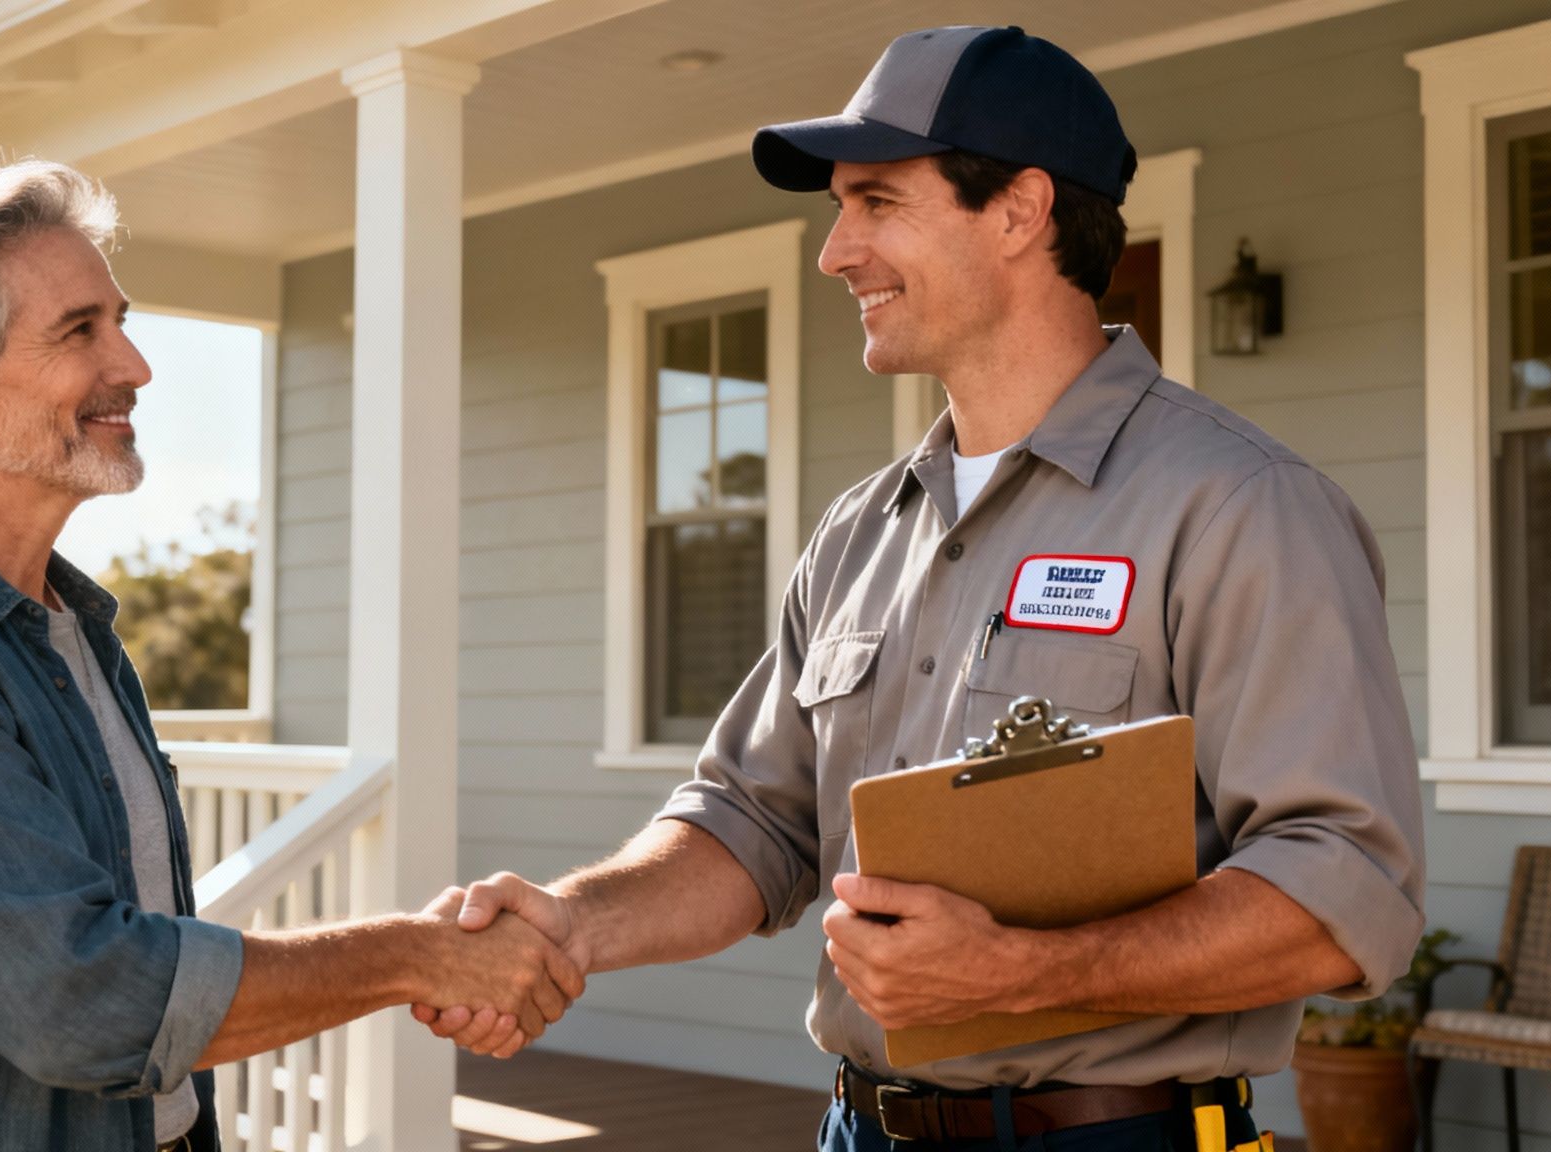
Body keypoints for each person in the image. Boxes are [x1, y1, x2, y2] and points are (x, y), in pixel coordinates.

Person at [415, 25, 1425, 1151]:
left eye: (877, 201)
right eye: (837, 209)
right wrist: (570, 924)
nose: (834, 252)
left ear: (1017, 210)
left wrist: (1022, 972)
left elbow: (1344, 889)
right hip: (861, 1128)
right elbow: (754, 821)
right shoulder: (860, 530)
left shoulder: (1238, 506)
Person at [0, 160, 582, 1152]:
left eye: (120, 319)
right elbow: (82, 998)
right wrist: (415, 957)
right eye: (78, 330)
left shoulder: (67, 626)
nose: (134, 365)